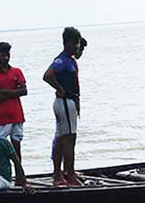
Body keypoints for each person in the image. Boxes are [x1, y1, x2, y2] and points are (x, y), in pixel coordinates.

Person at [44, 27, 82, 186]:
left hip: (69, 102)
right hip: (65, 102)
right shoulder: (62, 60)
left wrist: (80, 45)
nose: (77, 47)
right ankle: (68, 174)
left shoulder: (71, 58)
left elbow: (80, 51)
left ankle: (60, 173)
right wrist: (59, 88)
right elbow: (47, 76)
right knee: (68, 139)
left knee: (61, 138)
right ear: (67, 43)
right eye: (75, 44)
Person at [0, 42, 27, 163]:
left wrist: (4, 92)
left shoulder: (17, 71)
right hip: (1, 117)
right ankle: (2, 172)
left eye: (7, 54)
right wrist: (14, 91)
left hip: (17, 114)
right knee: (0, 146)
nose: (5, 57)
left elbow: (24, 91)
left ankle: (19, 172)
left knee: (17, 145)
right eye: (2, 55)